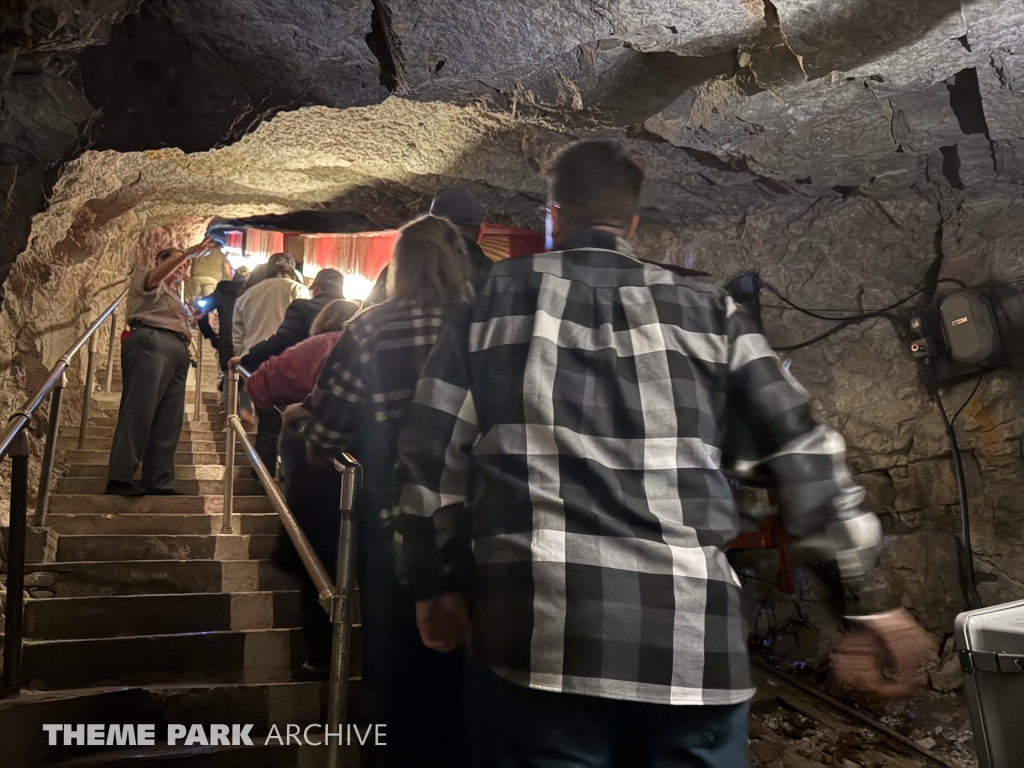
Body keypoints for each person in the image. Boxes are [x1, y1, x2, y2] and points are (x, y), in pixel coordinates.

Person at [389, 140, 887, 767]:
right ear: (631, 223)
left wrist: (431, 582)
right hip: (693, 649)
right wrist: (869, 598)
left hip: (541, 640)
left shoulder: (487, 299)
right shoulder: (712, 311)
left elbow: (431, 457)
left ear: (553, 215)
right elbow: (802, 447)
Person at [299, 215, 473, 766]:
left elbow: (329, 427)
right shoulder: (484, 325)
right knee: (469, 671)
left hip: (393, 518)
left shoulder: (371, 328)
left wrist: (309, 433)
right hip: (478, 523)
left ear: (401, 265)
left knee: (398, 666)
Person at [105, 239, 214, 496]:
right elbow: (156, 278)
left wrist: (193, 319)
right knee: (139, 410)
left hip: (177, 350)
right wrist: (188, 252)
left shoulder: (175, 296)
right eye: (175, 262)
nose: (181, 267)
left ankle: (159, 481)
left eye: (184, 265)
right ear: (159, 262)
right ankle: (119, 478)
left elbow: (177, 320)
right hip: (152, 342)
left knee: (169, 420)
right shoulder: (146, 278)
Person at [232, 253, 309, 472]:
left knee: (266, 422)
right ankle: (285, 473)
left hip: (254, 363)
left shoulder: (247, 295)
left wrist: (243, 359)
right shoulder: (297, 289)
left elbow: (238, 337)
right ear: (293, 270)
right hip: (287, 361)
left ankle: (262, 475)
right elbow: (301, 326)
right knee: (290, 420)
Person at [364, 187, 493, 306]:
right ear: (481, 232)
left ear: (430, 226)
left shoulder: (401, 267)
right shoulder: (493, 274)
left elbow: (369, 309)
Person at [234, 268, 356, 372]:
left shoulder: (303, 307)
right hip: (338, 379)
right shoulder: (354, 312)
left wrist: (246, 358)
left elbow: (282, 340)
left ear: (316, 287)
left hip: (306, 376)